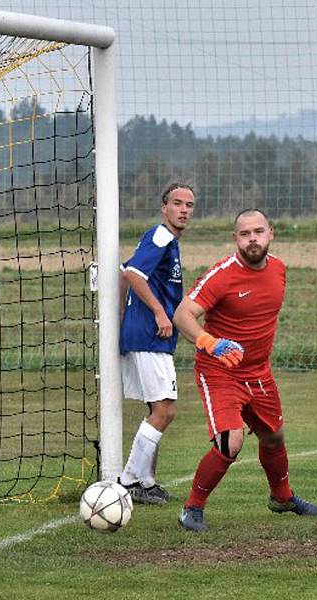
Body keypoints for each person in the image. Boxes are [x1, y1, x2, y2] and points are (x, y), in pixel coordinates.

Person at [173, 208, 317, 532]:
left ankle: (282, 499)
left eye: (258, 232)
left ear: (271, 233)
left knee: (273, 436)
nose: (252, 239)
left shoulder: (279, 270)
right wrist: (208, 341)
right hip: (220, 370)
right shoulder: (222, 275)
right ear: (235, 239)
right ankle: (192, 509)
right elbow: (183, 314)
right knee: (231, 441)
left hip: (258, 371)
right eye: (244, 234)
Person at [118, 182, 195, 504]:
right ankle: (126, 483)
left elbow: (125, 270)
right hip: (151, 335)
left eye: (189, 205)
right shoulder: (161, 235)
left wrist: (122, 315)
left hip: (146, 334)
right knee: (165, 410)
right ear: (164, 207)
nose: (184, 210)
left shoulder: (166, 241)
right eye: (177, 203)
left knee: (156, 408)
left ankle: (146, 482)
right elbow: (134, 274)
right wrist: (159, 313)